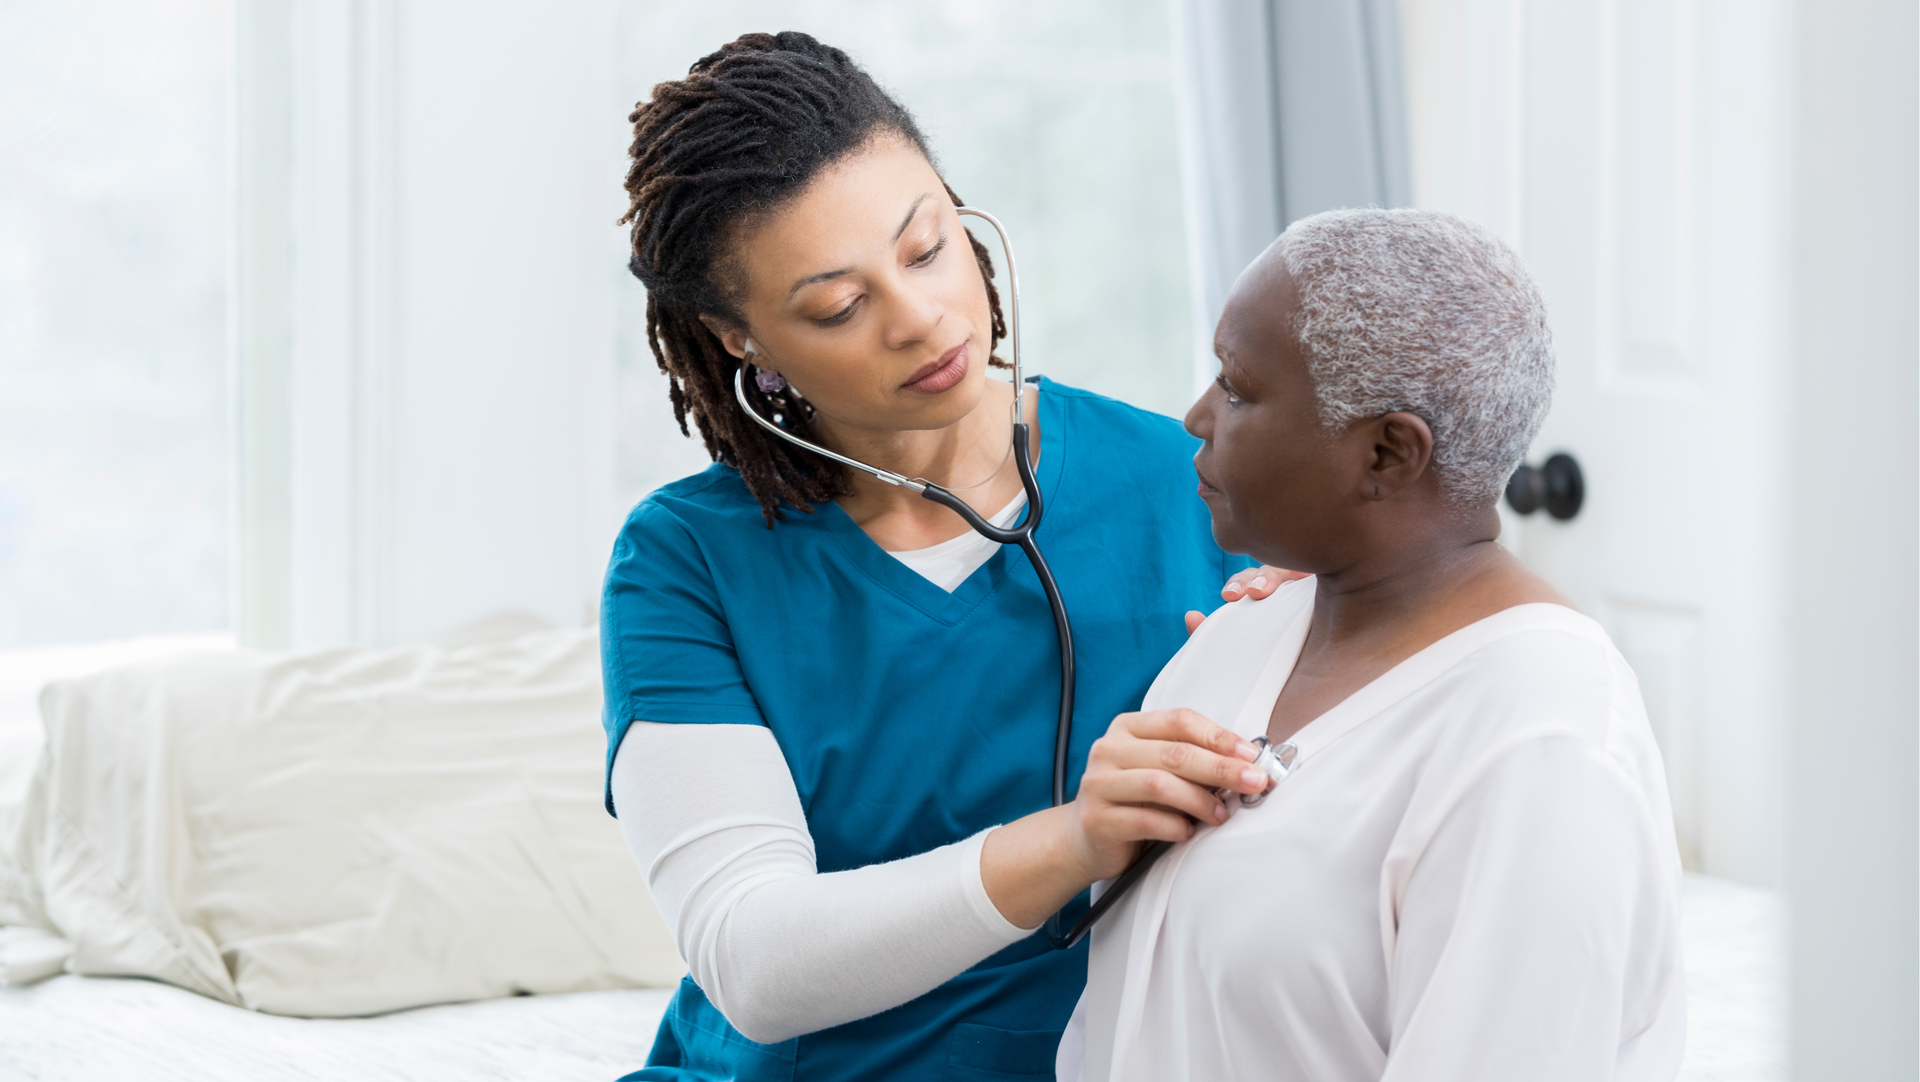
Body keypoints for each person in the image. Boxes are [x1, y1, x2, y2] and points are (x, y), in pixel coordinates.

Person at [601, 32, 1289, 1081]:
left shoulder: (1193, 482)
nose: (921, 319)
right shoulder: (685, 561)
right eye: (838, 304)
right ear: (743, 340)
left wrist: (1330, 655)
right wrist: (1077, 837)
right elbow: (756, 955)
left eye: (926, 247)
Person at [1060, 208, 1687, 1081]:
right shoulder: (1242, 633)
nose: (1196, 416)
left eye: (1238, 390)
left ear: (1388, 455)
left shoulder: (1542, 744)